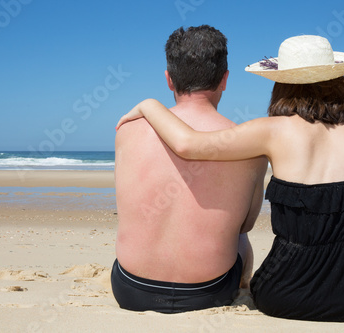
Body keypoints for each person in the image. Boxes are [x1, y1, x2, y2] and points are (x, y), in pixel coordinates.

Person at [116, 35, 344, 321]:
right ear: (339, 82)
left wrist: (150, 105)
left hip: (289, 293)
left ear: (281, 83)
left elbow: (187, 144)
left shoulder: (271, 131)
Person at [111, 25, 268, 314]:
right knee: (240, 236)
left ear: (169, 80)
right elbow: (246, 224)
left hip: (129, 288)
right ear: (224, 80)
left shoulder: (127, 130)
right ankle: (242, 287)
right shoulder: (249, 145)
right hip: (209, 293)